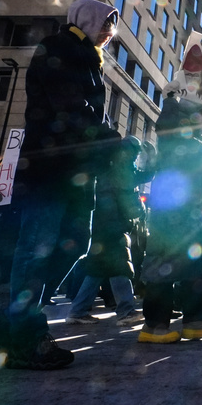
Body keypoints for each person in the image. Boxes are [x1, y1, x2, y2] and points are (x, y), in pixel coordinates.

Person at [0, 0, 122, 370]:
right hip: (49, 166)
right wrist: (110, 138)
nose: (109, 32)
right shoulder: (59, 47)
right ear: (86, 20)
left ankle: (9, 325)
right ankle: (27, 337)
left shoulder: (90, 57)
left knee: (76, 243)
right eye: (105, 24)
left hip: (76, 170)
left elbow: (88, 113)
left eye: (112, 26)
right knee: (36, 250)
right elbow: (70, 107)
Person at [137, 91, 202, 343]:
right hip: (176, 217)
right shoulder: (181, 139)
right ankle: (170, 324)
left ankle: (183, 322)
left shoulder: (189, 140)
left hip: (179, 216)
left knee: (185, 267)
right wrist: (170, 99)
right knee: (176, 267)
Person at [65, 136, 153, 326]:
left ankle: (78, 311)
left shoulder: (112, 167)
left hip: (102, 226)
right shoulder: (122, 169)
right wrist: (151, 158)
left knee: (97, 270)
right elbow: (140, 181)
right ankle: (126, 311)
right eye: (136, 153)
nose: (136, 156)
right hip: (113, 226)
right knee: (120, 267)